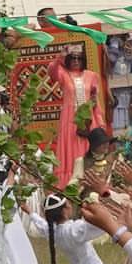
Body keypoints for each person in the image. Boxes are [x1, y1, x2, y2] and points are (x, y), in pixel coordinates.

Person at [49, 45, 105, 187]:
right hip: (70, 120)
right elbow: (52, 70)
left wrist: (99, 122)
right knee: (70, 151)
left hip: (88, 120)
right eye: (72, 58)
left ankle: (89, 182)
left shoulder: (92, 76)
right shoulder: (63, 74)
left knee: (87, 149)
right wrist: (60, 56)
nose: (76, 61)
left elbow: (95, 101)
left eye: (79, 58)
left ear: (83, 59)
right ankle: (68, 185)